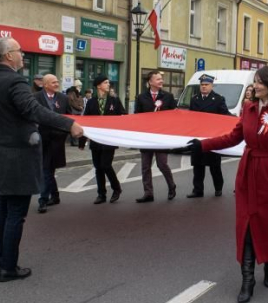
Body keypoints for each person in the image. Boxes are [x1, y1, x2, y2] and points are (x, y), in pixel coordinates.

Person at [182, 66, 268, 303]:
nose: (255, 86)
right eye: (254, 82)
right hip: (248, 174)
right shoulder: (248, 108)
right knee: (246, 226)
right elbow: (233, 137)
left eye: (259, 82)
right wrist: (203, 145)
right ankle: (247, 279)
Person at [0, 37, 83, 282]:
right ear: (8, 56)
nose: (22, 54)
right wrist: (69, 123)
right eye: (19, 50)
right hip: (17, 155)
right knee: (16, 212)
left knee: (4, 208)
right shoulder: (14, 81)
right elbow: (34, 110)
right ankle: (8, 267)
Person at [135, 70, 177, 202]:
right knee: (145, 166)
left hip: (162, 136)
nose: (161, 81)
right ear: (150, 82)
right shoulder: (141, 97)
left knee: (162, 164)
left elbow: (174, 116)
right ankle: (148, 193)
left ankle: (171, 186)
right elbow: (137, 116)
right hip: (146, 137)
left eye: (161, 79)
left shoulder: (168, 97)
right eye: (158, 79)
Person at [83, 74, 125, 204]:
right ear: (98, 85)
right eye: (106, 82)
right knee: (98, 167)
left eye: (108, 82)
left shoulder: (114, 101)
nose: (108, 85)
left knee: (106, 165)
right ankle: (101, 194)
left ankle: (116, 188)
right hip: (95, 139)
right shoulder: (91, 102)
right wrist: (82, 141)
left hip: (109, 139)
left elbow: (123, 117)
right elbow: (85, 122)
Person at [187, 74, 230, 198]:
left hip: (212, 137)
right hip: (198, 136)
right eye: (202, 85)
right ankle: (197, 190)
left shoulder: (218, 99)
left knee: (214, 166)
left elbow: (224, 116)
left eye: (206, 85)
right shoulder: (194, 99)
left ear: (211, 86)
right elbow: (191, 117)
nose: (204, 87)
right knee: (197, 165)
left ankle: (218, 188)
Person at [34, 74, 71, 214]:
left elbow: (69, 116)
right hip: (41, 139)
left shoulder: (63, 98)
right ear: (45, 84)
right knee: (45, 169)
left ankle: (54, 196)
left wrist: (65, 134)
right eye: (53, 82)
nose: (57, 84)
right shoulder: (36, 97)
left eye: (57, 81)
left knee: (49, 170)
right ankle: (43, 199)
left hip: (57, 140)